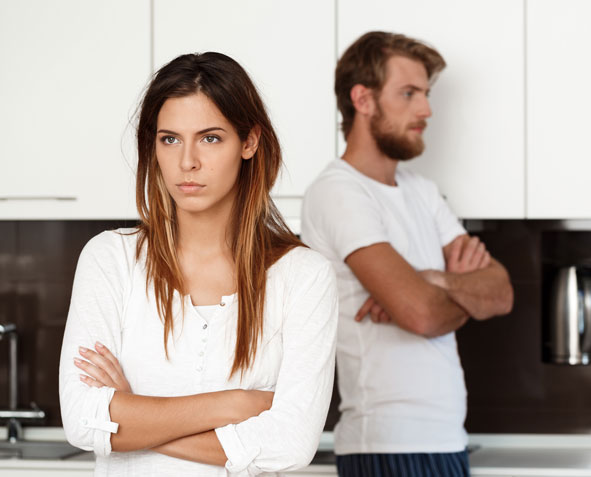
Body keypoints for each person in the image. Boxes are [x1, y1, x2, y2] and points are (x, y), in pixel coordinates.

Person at [58, 52, 338, 477]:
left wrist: (133, 417)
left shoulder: (303, 276)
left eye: (210, 138)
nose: (187, 161)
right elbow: (82, 421)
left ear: (249, 142)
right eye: (169, 139)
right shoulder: (110, 259)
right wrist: (235, 404)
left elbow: (291, 445)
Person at [301, 31, 514, 477]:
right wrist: (442, 294)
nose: (427, 110)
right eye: (409, 94)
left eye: (426, 94)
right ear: (363, 99)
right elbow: (420, 315)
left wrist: (433, 280)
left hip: (447, 442)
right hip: (385, 446)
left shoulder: (422, 192)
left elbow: (501, 293)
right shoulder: (339, 191)